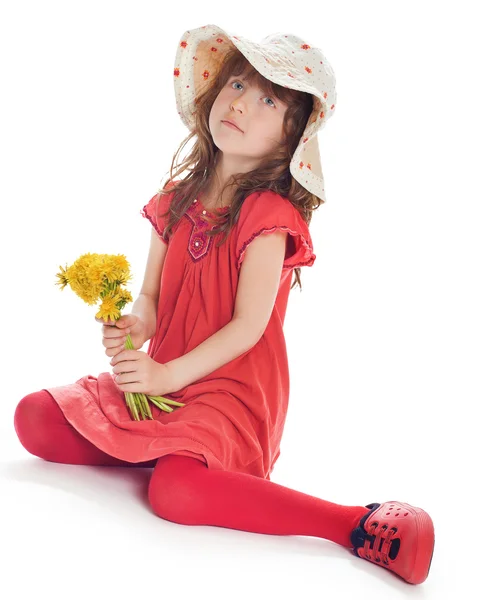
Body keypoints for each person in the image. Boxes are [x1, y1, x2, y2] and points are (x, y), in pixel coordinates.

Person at [13, 24, 434, 585]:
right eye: (237, 84)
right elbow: (152, 299)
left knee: (175, 492)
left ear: (291, 141)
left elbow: (246, 329)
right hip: (167, 378)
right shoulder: (173, 201)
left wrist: (163, 376)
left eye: (268, 101)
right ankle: (163, 447)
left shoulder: (267, 219)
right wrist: (132, 326)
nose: (241, 103)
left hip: (229, 393)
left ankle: (352, 525)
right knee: (34, 418)